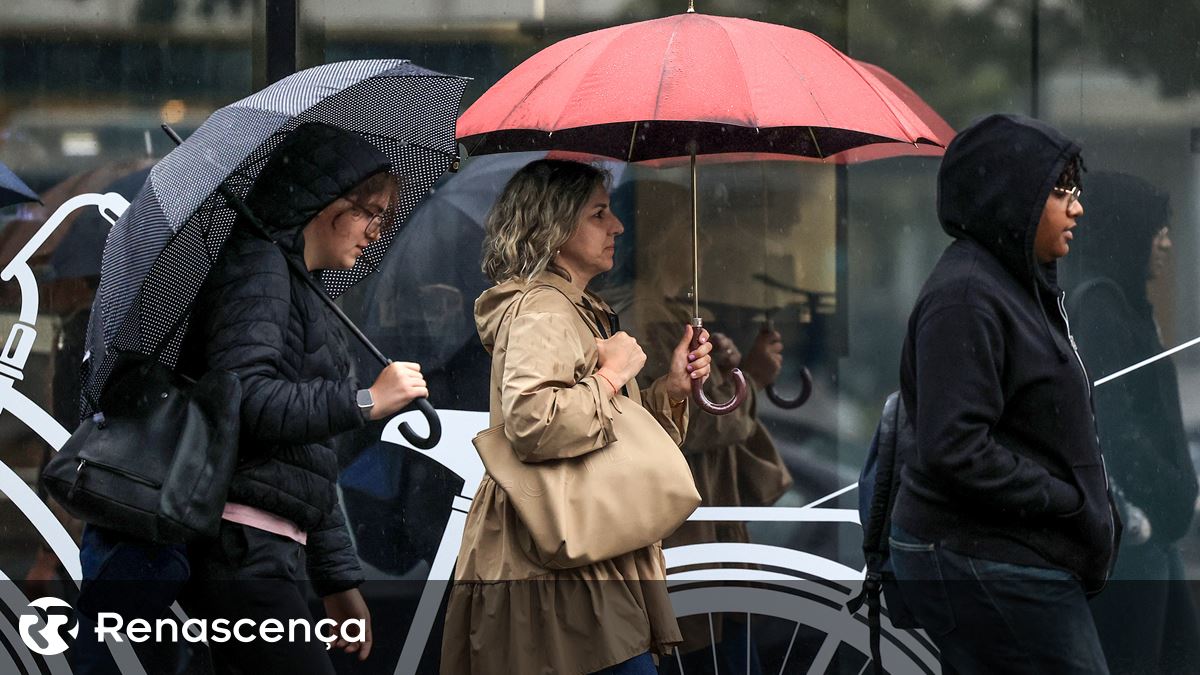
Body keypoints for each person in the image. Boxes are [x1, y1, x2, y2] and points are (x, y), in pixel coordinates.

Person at [74, 123, 429, 674]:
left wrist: (337, 581)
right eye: (369, 212)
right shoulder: (259, 268)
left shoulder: (303, 290)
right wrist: (364, 402)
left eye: (382, 217)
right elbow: (247, 399)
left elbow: (310, 458)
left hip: (270, 548)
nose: (375, 232)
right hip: (241, 546)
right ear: (327, 202)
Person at [441, 158, 713, 675]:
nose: (618, 226)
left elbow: (608, 431)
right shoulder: (544, 310)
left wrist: (672, 389)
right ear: (555, 226)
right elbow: (533, 423)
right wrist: (610, 376)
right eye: (598, 214)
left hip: (581, 551)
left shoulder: (577, 306)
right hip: (555, 564)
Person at [888, 114, 1119, 674]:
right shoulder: (968, 296)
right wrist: (1063, 498)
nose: (1077, 208)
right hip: (988, 558)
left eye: (1076, 190)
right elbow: (955, 447)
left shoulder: (1015, 284)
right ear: (1012, 195)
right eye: (1060, 191)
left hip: (1016, 557)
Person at [1064, 171, 1200, 673]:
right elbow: (1116, 429)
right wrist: (1166, 493)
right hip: (1130, 543)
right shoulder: (1099, 307)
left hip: (1150, 539)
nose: (1165, 239)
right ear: (1127, 232)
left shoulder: (1129, 306)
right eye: (1154, 227)